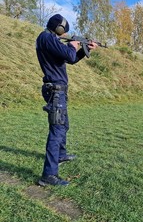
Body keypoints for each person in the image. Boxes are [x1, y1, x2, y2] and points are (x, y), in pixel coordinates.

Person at [36, 14, 97, 186]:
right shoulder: (47, 38)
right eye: (63, 31)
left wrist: (86, 50)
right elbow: (69, 55)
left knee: (63, 125)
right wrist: (72, 45)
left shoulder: (49, 39)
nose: (64, 34)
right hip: (55, 90)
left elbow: (71, 59)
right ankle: (48, 175)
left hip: (58, 91)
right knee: (57, 130)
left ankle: (60, 155)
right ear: (59, 27)